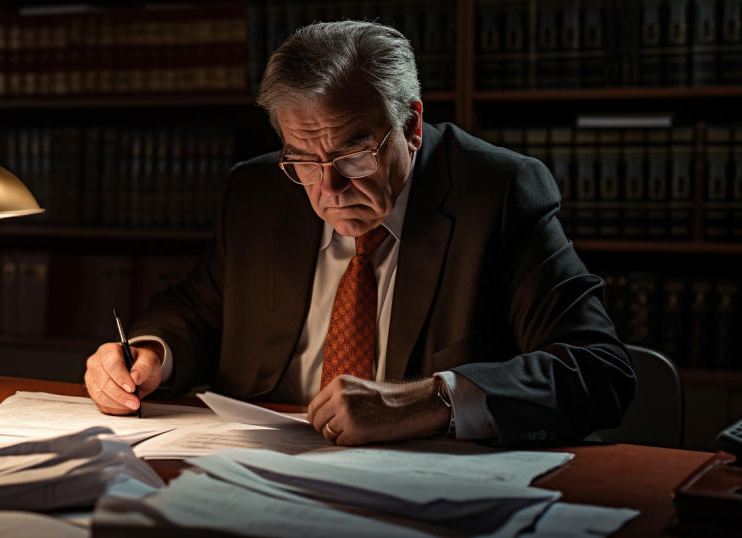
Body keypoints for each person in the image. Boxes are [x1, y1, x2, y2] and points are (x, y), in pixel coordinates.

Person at [84, 20, 636, 447]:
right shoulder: (258, 191)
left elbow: (598, 370)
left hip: (424, 488)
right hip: (253, 469)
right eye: (302, 157)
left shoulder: (497, 192)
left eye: (352, 152)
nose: (328, 188)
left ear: (413, 127)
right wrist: (151, 353)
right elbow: (197, 311)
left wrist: (434, 400)